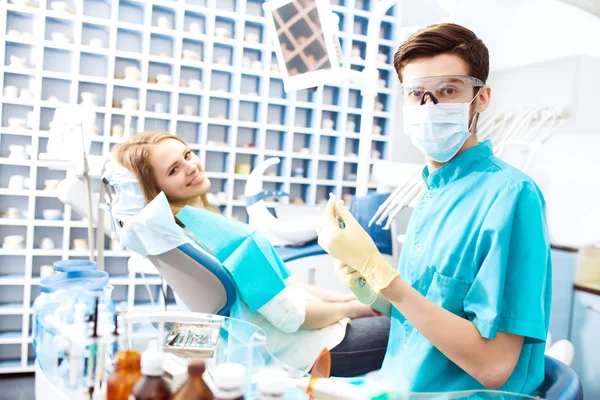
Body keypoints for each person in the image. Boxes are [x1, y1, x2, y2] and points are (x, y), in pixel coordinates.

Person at [317, 23, 551, 395]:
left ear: (482, 97)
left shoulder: (511, 196)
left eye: (448, 90)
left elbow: (494, 366)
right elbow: (428, 315)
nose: (430, 106)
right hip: (397, 385)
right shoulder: (431, 191)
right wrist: (367, 285)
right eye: (416, 93)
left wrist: (386, 279)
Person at [112, 131, 390, 376]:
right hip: (305, 352)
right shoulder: (229, 240)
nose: (191, 167)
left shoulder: (188, 231)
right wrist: (356, 309)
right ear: (155, 191)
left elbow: (285, 286)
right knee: (406, 331)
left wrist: (345, 299)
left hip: (272, 346)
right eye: (174, 170)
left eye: (187, 154)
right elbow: (292, 315)